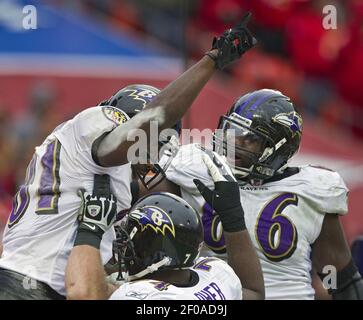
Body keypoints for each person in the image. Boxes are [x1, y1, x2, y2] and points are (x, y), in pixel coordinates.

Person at [0, 13, 257, 300]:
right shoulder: (94, 130)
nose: (149, 161)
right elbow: (154, 118)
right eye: (151, 146)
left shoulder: (90, 173)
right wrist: (212, 61)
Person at [139, 88, 363, 300]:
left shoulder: (312, 189)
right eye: (233, 132)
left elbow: (335, 273)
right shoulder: (197, 172)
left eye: (250, 139)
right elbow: (138, 198)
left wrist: (331, 287)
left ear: (280, 146)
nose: (235, 143)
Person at [65, 155, 265, 300]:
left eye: (130, 240)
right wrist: (233, 217)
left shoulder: (145, 297)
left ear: (157, 253)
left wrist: (90, 229)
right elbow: (254, 292)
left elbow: (84, 292)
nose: (121, 247)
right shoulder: (215, 273)